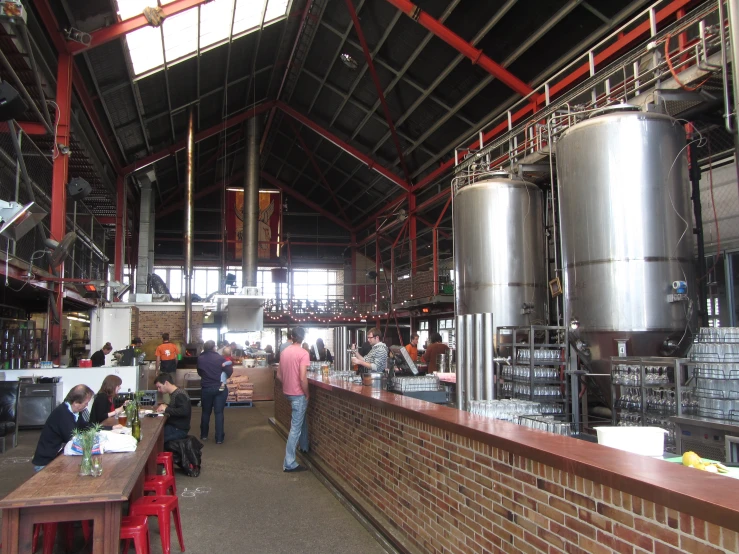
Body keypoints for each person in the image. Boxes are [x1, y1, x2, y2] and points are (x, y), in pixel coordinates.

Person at [32, 384, 95, 471]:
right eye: (86, 403)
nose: (87, 405)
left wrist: (109, 428)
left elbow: (84, 426)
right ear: (76, 403)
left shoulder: (74, 411)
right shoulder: (62, 414)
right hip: (47, 463)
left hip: (57, 458)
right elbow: (72, 439)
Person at [278, 326, 310, 473]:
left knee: (300, 422)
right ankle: (289, 463)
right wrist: (307, 393)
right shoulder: (303, 353)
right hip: (298, 394)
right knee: (295, 428)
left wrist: (288, 383)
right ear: (302, 338)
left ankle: (304, 446)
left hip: (287, 392)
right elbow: (303, 377)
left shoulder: (284, 352)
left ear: (291, 337)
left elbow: (279, 375)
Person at [197, 340, 232, 443]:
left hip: (206, 388)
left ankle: (204, 435)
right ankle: (219, 438)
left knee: (205, 412)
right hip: (219, 388)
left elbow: (200, 372)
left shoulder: (200, 358)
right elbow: (229, 371)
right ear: (214, 347)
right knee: (219, 413)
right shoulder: (220, 358)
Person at [154, 373, 192, 443]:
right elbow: (177, 407)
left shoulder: (179, 394)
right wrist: (167, 406)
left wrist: (166, 409)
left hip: (179, 429)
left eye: (159, 387)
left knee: (155, 438)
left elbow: (184, 411)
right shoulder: (175, 393)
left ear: (166, 383)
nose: (158, 390)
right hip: (176, 426)